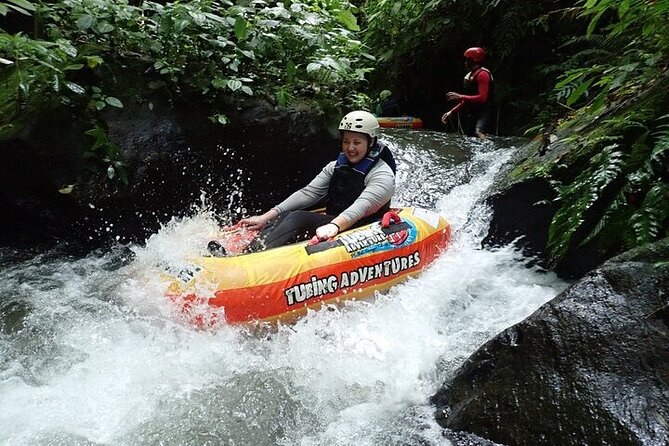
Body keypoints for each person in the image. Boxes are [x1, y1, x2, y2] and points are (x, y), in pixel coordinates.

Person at [236, 110, 396, 252]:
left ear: (371, 142)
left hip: (363, 226)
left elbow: (362, 206)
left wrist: (335, 226)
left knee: (298, 218)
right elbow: (308, 193)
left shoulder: (382, 175)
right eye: (346, 141)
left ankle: (248, 256)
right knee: (286, 215)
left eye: (357, 142)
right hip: (336, 221)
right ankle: (252, 250)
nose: (350, 148)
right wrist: (265, 217)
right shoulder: (335, 166)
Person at [441, 47, 494, 139]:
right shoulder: (469, 76)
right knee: (470, 137)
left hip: (484, 112)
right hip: (473, 113)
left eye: (467, 60)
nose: (465, 63)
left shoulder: (483, 74)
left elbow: (483, 98)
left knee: (479, 132)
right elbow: (467, 100)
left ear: (472, 61)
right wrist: (451, 112)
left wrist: (460, 96)